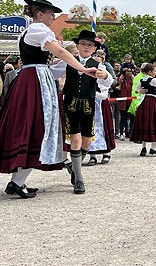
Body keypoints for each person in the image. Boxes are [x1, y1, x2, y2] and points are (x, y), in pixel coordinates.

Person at [0, 0, 97, 198]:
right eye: (51, 14)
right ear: (40, 14)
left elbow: (50, 62)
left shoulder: (29, 32)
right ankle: (17, 182)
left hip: (34, 78)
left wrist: (69, 67)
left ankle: (17, 181)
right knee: (37, 128)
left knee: (33, 128)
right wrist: (82, 69)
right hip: (35, 82)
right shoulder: (37, 29)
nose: (53, 18)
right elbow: (60, 52)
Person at [53, 30, 111, 194]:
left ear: (94, 48)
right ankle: (79, 179)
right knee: (76, 140)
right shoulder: (68, 61)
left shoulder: (98, 65)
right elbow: (52, 73)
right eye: (83, 44)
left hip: (88, 107)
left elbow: (109, 81)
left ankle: (74, 167)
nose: (86, 47)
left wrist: (105, 74)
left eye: (90, 45)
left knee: (87, 142)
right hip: (71, 105)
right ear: (77, 46)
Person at [130, 63, 156, 155]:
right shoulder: (153, 80)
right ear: (150, 72)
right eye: (154, 71)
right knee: (154, 122)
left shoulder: (142, 80)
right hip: (152, 102)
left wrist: (142, 91)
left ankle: (143, 147)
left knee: (144, 122)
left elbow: (136, 90)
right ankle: (153, 147)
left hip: (143, 102)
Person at [87, 51, 115, 165]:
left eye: (100, 57)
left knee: (104, 126)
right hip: (90, 100)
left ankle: (106, 153)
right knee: (90, 127)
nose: (97, 58)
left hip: (101, 100)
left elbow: (111, 81)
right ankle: (92, 155)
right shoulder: (87, 68)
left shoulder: (105, 70)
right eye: (95, 56)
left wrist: (105, 75)